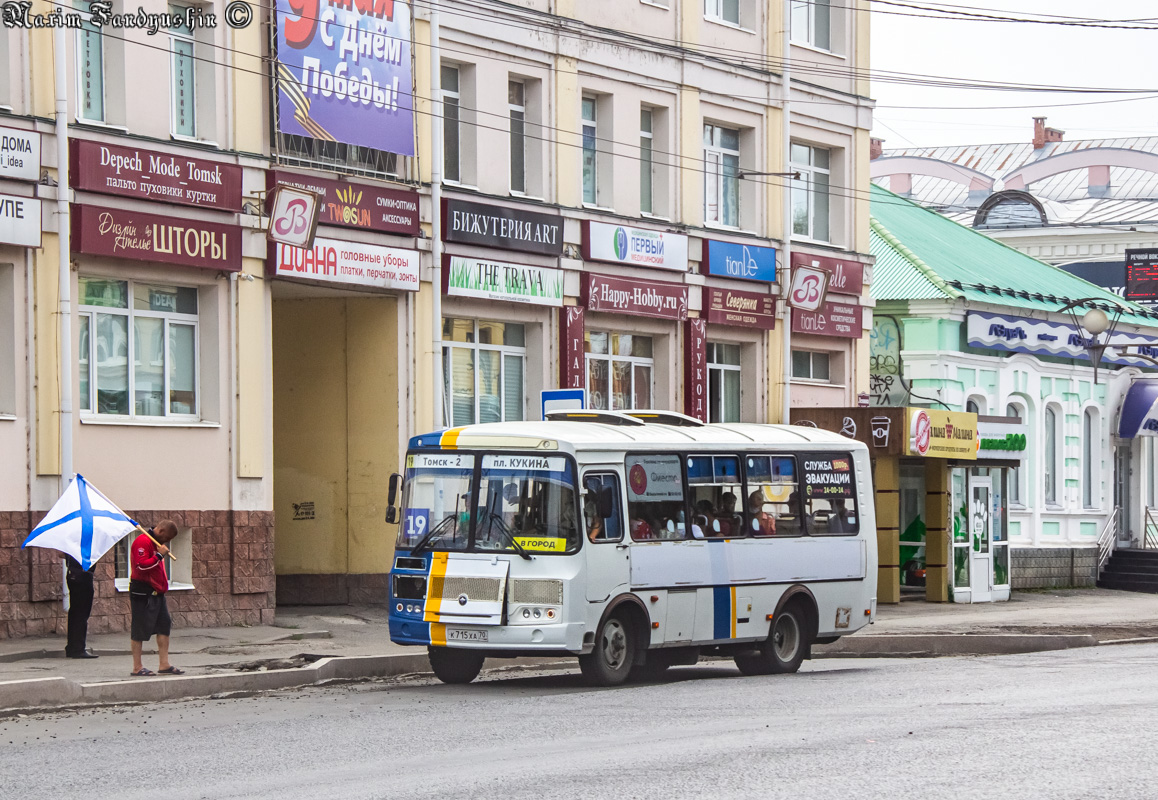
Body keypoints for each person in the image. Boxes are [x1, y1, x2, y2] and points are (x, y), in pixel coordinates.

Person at [129, 520, 184, 677]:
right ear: (160, 532)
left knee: (164, 625)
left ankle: (164, 663)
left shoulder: (154, 542)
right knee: (139, 628)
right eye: (166, 538)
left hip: (157, 593)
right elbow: (141, 566)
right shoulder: (143, 541)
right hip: (143, 592)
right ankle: (137, 667)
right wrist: (159, 555)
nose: (166, 542)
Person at [62, 554, 97, 659]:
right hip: (83, 576)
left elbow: (61, 554)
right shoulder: (86, 541)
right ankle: (78, 648)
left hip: (72, 574)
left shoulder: (71, 540)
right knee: (82, 613)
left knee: (74, 612)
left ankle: (72, 647)